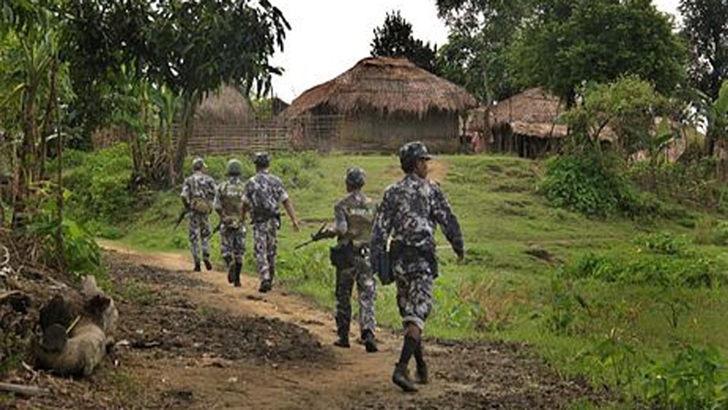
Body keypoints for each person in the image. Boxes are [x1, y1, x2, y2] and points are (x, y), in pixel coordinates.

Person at [370, 141, 464, 392]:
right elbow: (448, 220)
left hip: (399, 261)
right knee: (419, 312)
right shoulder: (431, 190)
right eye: (423, 161)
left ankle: (421, 366)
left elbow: (379, 229)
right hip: (421, 260)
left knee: (409, 313)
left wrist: (377, 260)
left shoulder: (391, 192)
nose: (427, 165)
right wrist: (458, 245)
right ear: (414, 163)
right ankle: (401, 368)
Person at [319, 167, 378, 353]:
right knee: (367, 295)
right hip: (367, 255)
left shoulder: (341, 205)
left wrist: (328, 232)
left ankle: (343, 336)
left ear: (348, 183)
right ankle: (368, 333)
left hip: (347, 256)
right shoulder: (373, 205)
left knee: (343, 295)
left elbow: (342, 229)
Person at [241, 152, 300, 293]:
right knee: (271, 249)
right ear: (268, 165)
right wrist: (294, 220)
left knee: (260, 249)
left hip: (259, 221)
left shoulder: (251, 182)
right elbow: (286, 201)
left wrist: (242, 218)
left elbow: (244, 204)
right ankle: (270, 275)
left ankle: (265, 277)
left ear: (256, 166)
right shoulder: (276, 181)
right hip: (273, 219)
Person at [214, 159, 246, 287]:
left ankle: (229, 264)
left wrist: (223, 216)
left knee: (226, 250)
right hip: (240, 223)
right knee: (239, 252)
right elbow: (248, 204)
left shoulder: (221, 187)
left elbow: (216, 206)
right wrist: (242, 218)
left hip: (226, 222)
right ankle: (237, 280)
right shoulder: (244, 188)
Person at [180, 157, 217, 272]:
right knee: (205, 235)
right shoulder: (209, 179)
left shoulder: (189, 180)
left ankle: (197, 263)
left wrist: (187, 206)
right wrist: (210, 203)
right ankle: (206, 255)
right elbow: (216, 193)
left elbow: (183, 195)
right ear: (201, 167)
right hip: (205, 211)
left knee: (194, 237)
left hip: (193, 211)